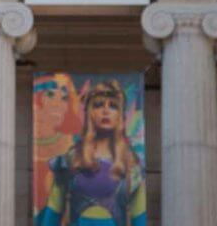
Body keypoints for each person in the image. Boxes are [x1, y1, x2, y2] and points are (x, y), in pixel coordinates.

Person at [39, 80, 146, 226]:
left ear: (120, 116)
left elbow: (139, 217)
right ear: (90, 113)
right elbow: (53, 211)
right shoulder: (71, 159)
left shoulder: (130, 163)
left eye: (113, 106)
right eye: (98, 105)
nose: (105, 111)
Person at [32, 73, 82, 223]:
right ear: (38, 100)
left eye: (65, 97)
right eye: (50, 94)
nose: (58, 102)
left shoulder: (76, 148)